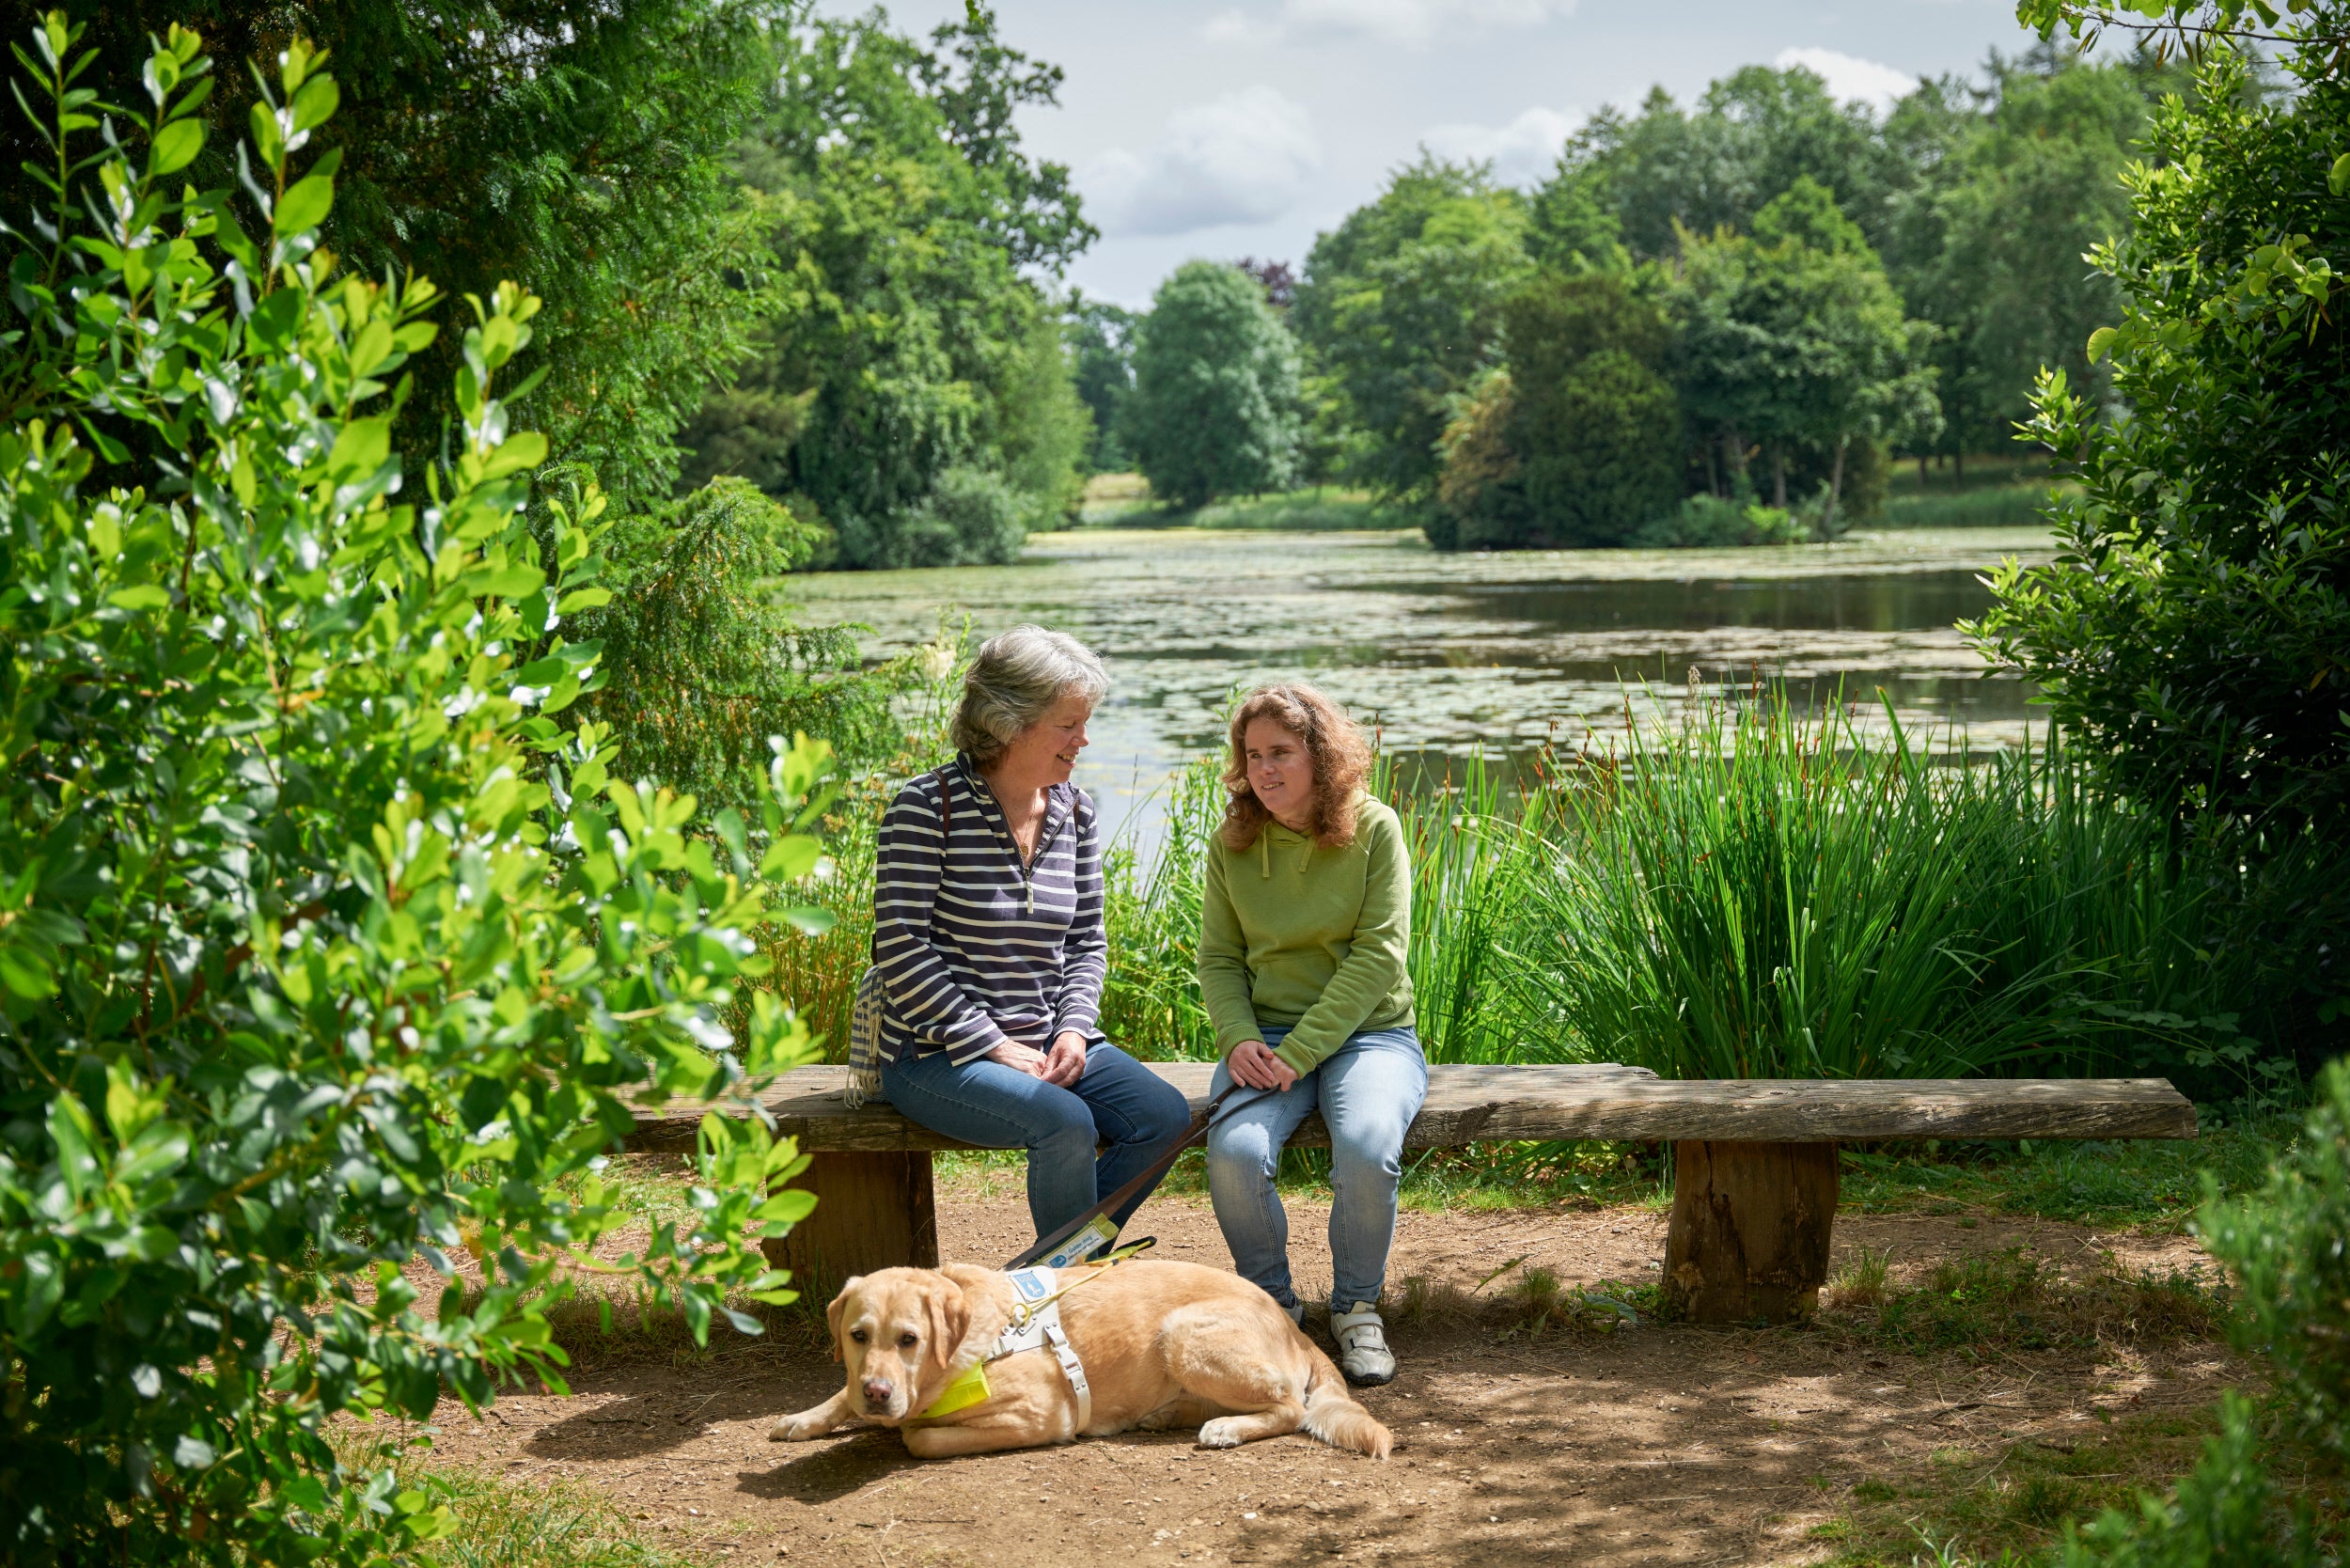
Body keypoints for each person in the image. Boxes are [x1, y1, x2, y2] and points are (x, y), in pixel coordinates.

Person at [874, 625, 1189, 1251]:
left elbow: (1085, 942)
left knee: (1165, 1118)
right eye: (1068, 724)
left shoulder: (1075, 810)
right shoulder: (925, 806)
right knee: (1065, 1121)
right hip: (935, 1054)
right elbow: (902, 946)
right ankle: (1066, 1290)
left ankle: (1050, 1271)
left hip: (1047, 1035)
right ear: (1007, 722)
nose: (1084, 738)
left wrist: (1073, 1028)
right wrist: (991, 1043)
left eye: (1085, 722)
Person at [1199, 682, 1425, 1387]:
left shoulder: (1374, 828)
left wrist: (1301, 1054)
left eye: (1282, 753)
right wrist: (1238, 1037)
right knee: (1234, 1152)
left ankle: (1357, 1307)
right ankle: (1271, 1309)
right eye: (1253, 754)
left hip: (1371, 1034)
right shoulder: (1233, 843)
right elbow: (1219, 960)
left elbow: (1377, 957)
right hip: (1264, 1037)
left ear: (1321, 756)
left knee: (1365, 1150)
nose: (1264, 769)